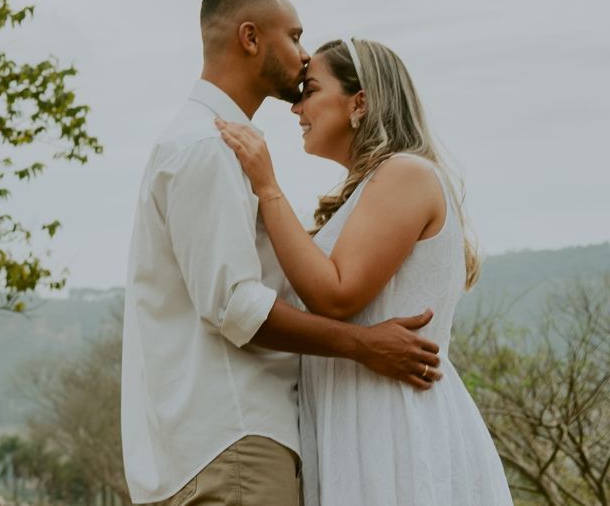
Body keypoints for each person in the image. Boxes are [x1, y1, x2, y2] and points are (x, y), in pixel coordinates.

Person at [121, 0, 443, 506]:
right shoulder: (207, 146)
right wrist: (363, 345)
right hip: (234, 440)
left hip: (228, 443)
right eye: (293, 36)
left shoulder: (215, 144)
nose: (302, 55)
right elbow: (233, 305)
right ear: (250, 38)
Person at [216, 36, 513, 504]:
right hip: (351, 423)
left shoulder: (406, 173)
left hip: (395, 427)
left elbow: (336, 295)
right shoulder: (368, 190)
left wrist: (267, 187)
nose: (296, 110)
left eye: (309, 91)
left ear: (360, 102)